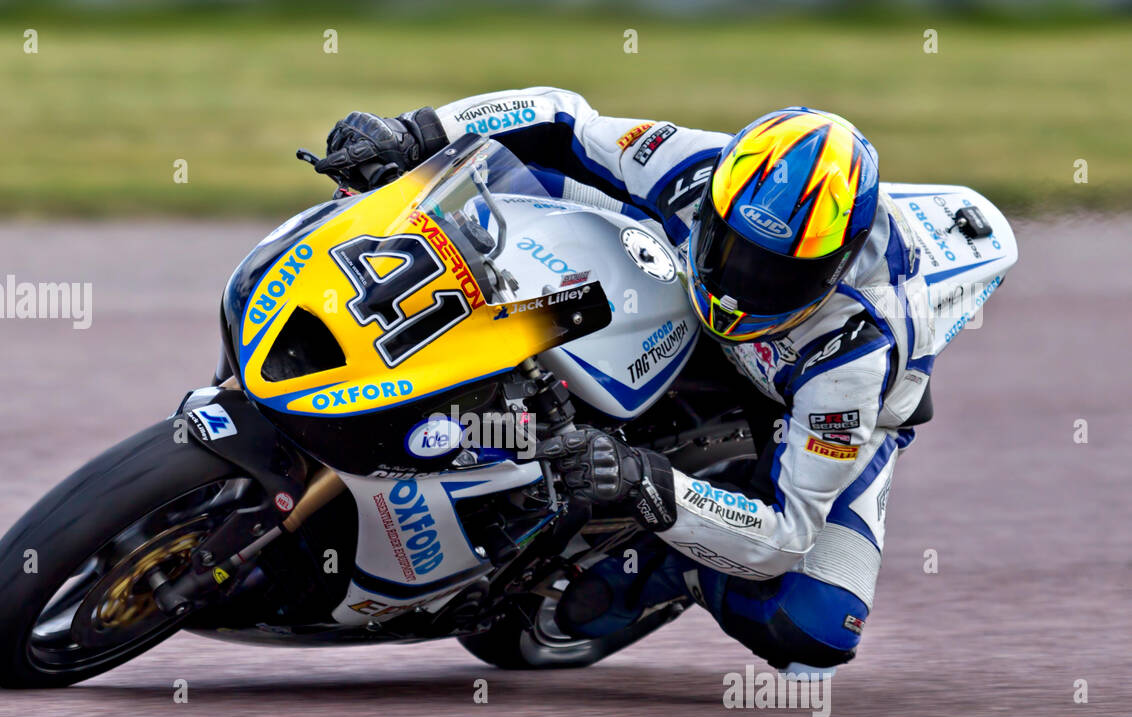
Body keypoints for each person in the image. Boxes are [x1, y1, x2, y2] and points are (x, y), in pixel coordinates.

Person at [313, 88, 935, 673]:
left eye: (773, 274)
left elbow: (787, 535)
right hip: (674, 282)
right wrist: (417, 132)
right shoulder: (697, 167)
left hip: (791, 393)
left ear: (834, 268)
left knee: (813, 627)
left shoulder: (855, 356)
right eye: (732, 247)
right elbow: (562, 117)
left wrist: (648, 483)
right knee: (528, 180)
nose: (741, 282)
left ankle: (671, 567)